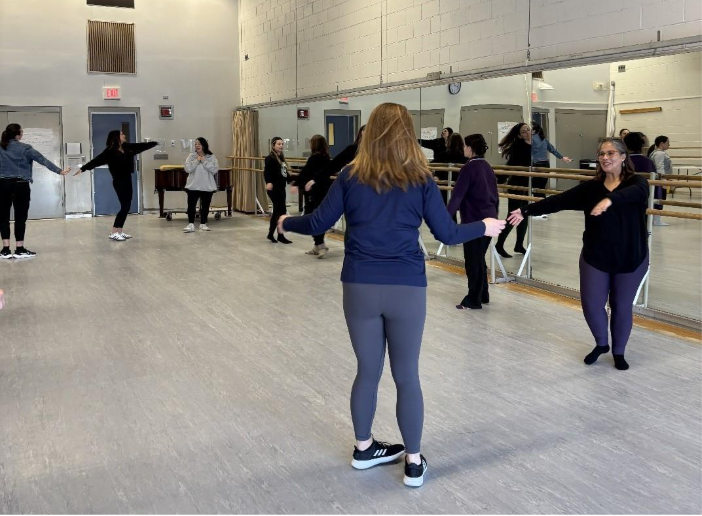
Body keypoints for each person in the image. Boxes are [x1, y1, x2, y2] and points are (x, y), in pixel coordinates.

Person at [278, 103, 505, 488]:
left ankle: (364, 448)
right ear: (407, 133)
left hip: (359, 287)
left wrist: (286, 220)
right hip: (406, 288)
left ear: (370, 133)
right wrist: (482, 225)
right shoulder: (420, 179)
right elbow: (447, 235)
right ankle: (414, 463)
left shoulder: (351, 175)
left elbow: (319, 222)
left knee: (367, 372)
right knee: (407, 376)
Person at [507, 138, 649, 371]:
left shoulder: (638, 183)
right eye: (601, 153)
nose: (605, 157)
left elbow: (634, 194)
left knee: (621, 305)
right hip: (596, 255)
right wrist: (526, 210)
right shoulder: (591, 188)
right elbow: (559, 201)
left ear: (623, 157)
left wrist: (610, 200)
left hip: (631, 256)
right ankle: (602, 344)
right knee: (592, 305)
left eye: (611, 153)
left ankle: (619, 352)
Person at [0, 123, 70, 259]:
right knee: (20, 218)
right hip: (21, 185)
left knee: (3, 217)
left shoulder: (1, 147)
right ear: (18, 135)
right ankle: (19, 249)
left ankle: (5, 250)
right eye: (22, 132)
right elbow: (43, 160)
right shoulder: (26, 148)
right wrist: (60, 171)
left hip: (2, 185)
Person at [447, 134, 499, 310]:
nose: (463, 149)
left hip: (474, 222)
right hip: (490, 218)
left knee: (472, 260)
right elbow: (495, 195)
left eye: (465, 146)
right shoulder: (487, 167)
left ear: (469, 148)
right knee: (479, 259)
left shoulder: (468, 168)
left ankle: (473, 299)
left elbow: (457, 196)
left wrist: (446, 217)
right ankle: (483, 294)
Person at [75, 131, 157, 241]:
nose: (125, 135)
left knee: (126, 206)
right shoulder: (109, 151)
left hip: (127, 179)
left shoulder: (127, 147)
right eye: (122, 134)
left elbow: (141, 146)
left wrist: (155, 143)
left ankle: (119, 231)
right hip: (119, 181)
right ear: (116, 137)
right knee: (124, 207)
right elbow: (96, 161)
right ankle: (114, 232)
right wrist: (83, 168)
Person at [495, 122, 532, 258]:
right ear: (519, 135)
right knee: (513, 216)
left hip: (528, 184)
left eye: (528, 130)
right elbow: (511, 165)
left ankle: (519, 244)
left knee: (525, 214)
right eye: (524, 131)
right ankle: (499, 244)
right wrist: (501, 180)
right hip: (517, 184)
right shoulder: (518, 147)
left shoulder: (535, 146)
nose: (528, 132)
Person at [292, 135, 332, 256]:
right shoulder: (327, 158)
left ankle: (320, 245)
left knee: (312, 218)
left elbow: (305, 172)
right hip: (324, 192)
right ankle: (316, 245)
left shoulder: (314, 158)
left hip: (314, 193)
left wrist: (296, 183)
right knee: (318, 217)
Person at [183, 137, 219, 233]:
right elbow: (187, 168)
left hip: (207, 186)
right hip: (193, 185)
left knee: (205, 206)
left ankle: (203, 224)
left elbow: (215, 169)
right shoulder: (191, 156)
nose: (197, 145)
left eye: (199, 144)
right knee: (191, 206)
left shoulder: (211, 157)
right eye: (196, 144)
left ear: (204, 145)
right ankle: (191, 224)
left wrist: (204, 161)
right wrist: (197, 161)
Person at [264, 137, 296, 244]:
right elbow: (267, 172)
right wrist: (268, 182)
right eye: (278, 144)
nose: (281, 146)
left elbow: (284, 173)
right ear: (273, 145)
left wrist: (291, 181)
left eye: (282, 144)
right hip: (274, 188)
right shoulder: (270, 158)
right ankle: (279, 235)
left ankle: (273, 234)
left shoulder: (281, 158)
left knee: (280, 211)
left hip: (280, 187)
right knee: (279, 211)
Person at [531, 123, 572, 204]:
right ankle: (543, 208)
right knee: (541, 188)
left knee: (536, 188)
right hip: (546, 165)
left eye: (529, 129)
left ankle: (540, 210)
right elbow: (552, 150)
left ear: (534, 130)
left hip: (537, 165)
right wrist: (562, 157)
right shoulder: (543, 139)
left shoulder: (531, 139)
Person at [648, 136, 672, 227]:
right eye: (667, 143)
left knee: (658, 198)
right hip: (660, 180)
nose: (669, 145)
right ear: (662, 143)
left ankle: (656, 218)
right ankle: (656, 220)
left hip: (659, 179)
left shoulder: (656, 153)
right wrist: (663, 180)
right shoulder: (659, 154)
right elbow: (659, 167)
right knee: (659, 199)